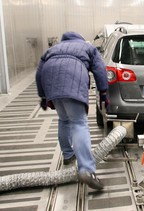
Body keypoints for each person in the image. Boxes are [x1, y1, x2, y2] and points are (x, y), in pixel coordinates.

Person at [36, 31, 109, 190]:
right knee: (79, 124)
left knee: (64, 120)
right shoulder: (87, 47)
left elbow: (39, 73)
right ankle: (87, 170)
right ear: (80, 39)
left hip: (53, 87)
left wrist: (42, 96)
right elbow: (100, 69)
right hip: (73, 83)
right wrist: (103, 93)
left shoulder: (52, 49)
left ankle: (68, 155)